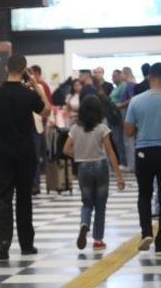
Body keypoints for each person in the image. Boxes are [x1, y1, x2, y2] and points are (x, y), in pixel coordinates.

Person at [0, 54, 51, 260]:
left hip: (1, 153)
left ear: (5, 69)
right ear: (25, 71)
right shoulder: (28, 94)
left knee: (2, 198)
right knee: (24, 198)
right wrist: (37, 86)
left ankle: (3, 245)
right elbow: (46, 111)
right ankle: (26, 245)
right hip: (25, 153)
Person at [63, 96, 125, 251]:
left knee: (87, 202)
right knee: (100, 206)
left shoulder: (75, 129)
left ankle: (84, 223)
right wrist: (118, 176)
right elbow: (110, 152)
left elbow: (65, 149)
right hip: (100, 166)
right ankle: (98, 240)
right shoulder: (102, 128)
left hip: (83, 167)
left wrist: (78, 155)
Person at [125, 62, 161, 252]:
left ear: (150, 77)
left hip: (144, 152)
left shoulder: (137, 100)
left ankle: (146, 232)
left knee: (145, 194)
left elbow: (129, 131)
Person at [30, 65, 53, 194]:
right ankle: (31, 183)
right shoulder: (24, 88)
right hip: (26, 125)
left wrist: (46, 120)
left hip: (37, 124)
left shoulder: (41, 87)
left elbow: (47, 105)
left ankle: (35, 183)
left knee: (36, 155)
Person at [110, 69, 129, 168]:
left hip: (120, 114)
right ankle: (122, 161)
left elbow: (126, 100)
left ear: (120, 76)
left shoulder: (124, 86)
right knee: (117, 139)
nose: (113, 78)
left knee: (121, 139)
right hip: (114, 115)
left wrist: (119, 105)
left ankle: (125, 162)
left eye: (115, 76)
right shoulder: (115, 88)